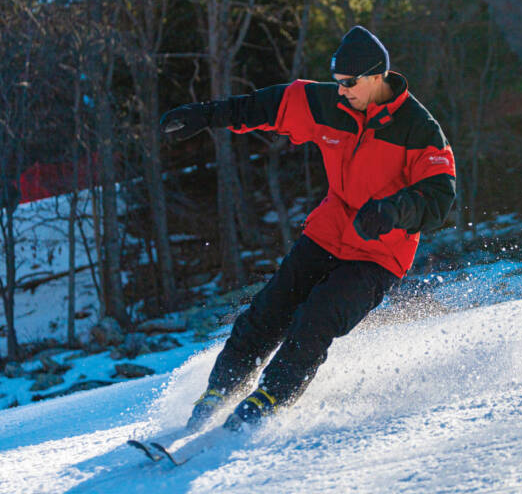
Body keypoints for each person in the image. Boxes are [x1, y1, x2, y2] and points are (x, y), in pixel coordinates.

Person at [160, 26, 457, 431]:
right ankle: (217, 393)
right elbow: (262, 107)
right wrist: (204, 115)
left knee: (315, 319)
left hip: (378, 253)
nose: (341, 91)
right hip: (328, 232)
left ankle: (269, 399)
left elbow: (440, 197)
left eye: (349, 83)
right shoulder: (328, 104)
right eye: (337, 83)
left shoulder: (420, 130)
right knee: (268, 310)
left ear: (377, 76)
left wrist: (392, 211)